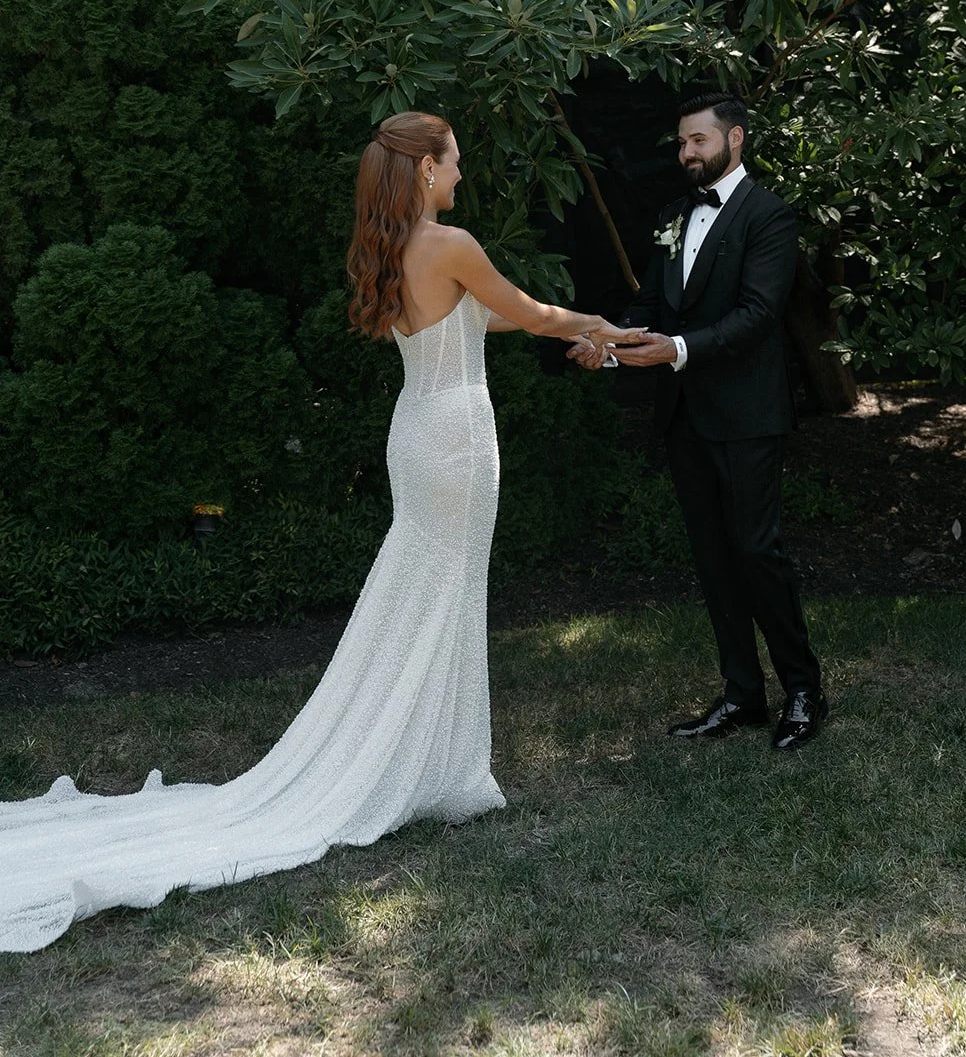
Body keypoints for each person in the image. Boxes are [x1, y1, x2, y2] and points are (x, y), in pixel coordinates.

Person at [0, 110, 643, 952]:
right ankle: (423, 766)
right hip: (453, 437)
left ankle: (431, 762)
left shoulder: (398, 250)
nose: (460, 177)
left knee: (427, 587)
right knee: (442, 590)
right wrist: (593, 326)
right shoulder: (449, 242)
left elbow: (482, 319)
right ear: (423, 171)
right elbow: (525, 308)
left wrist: (575, 327)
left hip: (421, 428)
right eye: (453, 164)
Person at [570, 91, 826, 751]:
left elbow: (757, 314)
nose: (685, 153)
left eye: (697, 142)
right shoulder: (673, 216)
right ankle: (741, 695)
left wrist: (677, 351)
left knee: (755, 552)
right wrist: (608, 345)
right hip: (684, 417)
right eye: (680, 143)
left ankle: (802, 691)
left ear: (734, 140)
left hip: (746, 416)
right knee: (712, 560)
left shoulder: (769, 215)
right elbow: (651, 305)